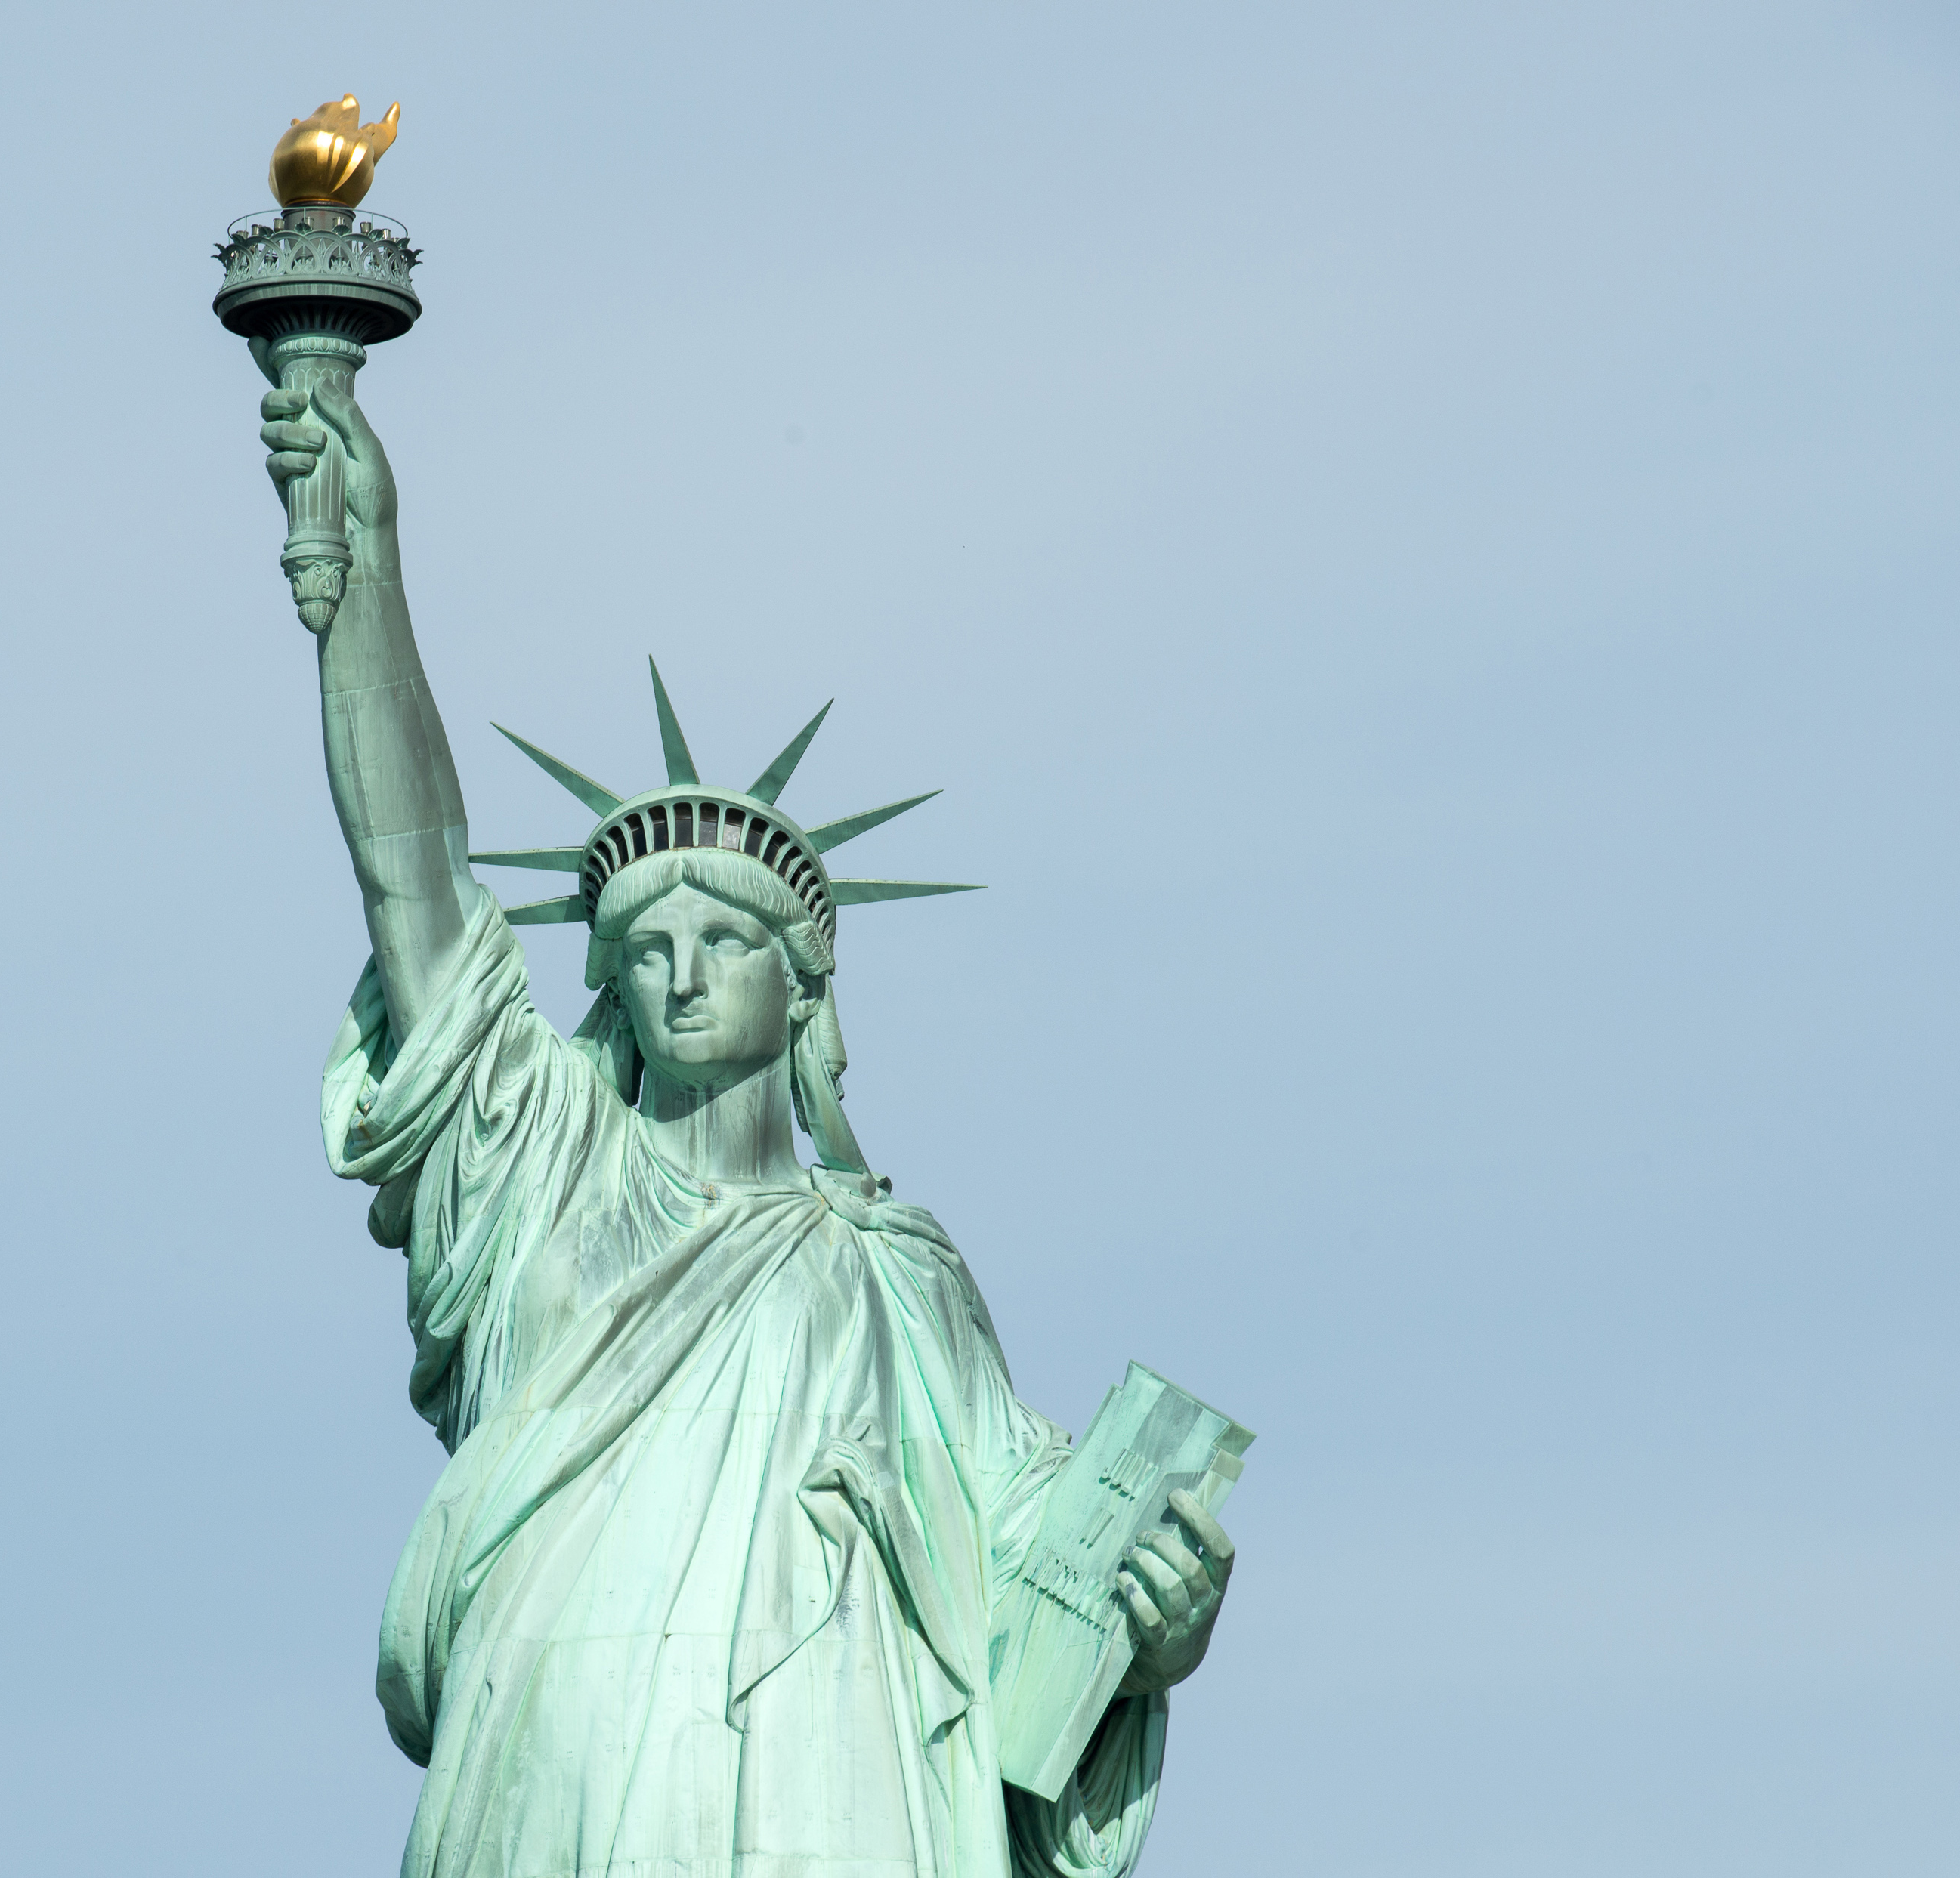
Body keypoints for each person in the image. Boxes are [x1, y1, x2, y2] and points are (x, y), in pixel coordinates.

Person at [258, 355, 1235, 1878]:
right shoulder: (543, 1174)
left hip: (836, 1778)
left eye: (723, 941)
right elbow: (415, 887)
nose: (679, 972)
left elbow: (1031, 1580)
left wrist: (1150, 1627)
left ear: (804, 987)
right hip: (567, 1749)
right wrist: (363, 576)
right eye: (642, 949)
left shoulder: (896, 1274)